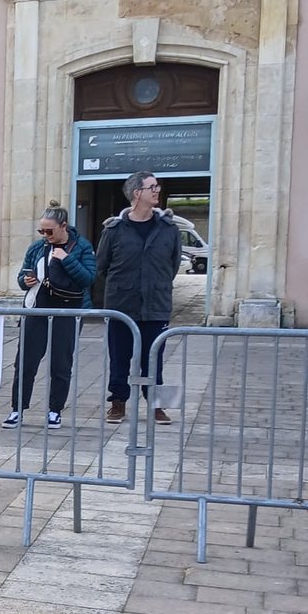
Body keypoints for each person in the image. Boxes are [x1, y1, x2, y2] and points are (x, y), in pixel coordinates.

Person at [96, 171, 182, 425]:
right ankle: (117, 402)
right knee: (119, 357)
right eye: (152, 187)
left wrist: (157, 284)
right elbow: (102, 266)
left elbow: (173, 265)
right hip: (121, 306)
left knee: (154, 359)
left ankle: (157, 406)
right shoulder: (114, 230)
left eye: (157, 186)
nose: (157, 190)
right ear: (137, 193)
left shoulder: (169, 229)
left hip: (156, 305)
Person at [2, 201, 96, 430]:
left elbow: (88, 279)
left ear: (63, 226)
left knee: (61, 364)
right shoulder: (37, 247)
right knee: (25, 363)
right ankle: (17, 409)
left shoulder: (82, 246)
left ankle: (55, 411)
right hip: (37, 309)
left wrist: (66, 258)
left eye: (49, 231)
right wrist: (25, 281)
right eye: (41, 231)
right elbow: (22, 276)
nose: (45, 235)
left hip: (68, 311)